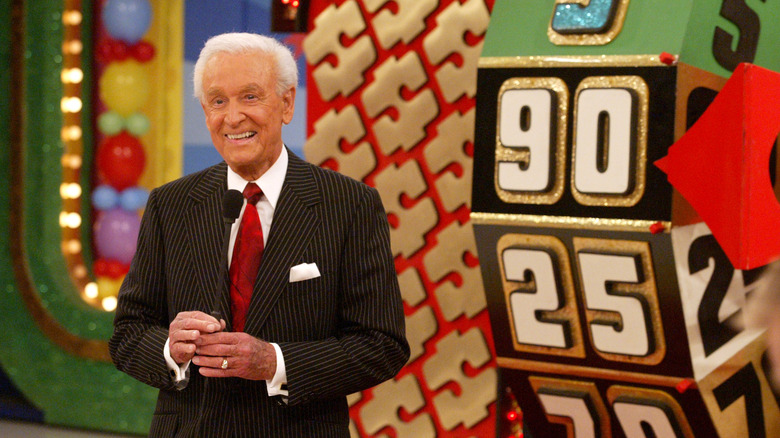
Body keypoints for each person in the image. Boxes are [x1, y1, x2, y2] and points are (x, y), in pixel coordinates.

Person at [109, 32, 410, 437]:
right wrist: (170, 348)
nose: (233, 117)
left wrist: (274, 361)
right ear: (204, 111)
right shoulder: (172, 204)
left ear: (287, 103)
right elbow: (128, 332)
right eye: (218, 101)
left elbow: (381, 345)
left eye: (250, 97)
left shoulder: (349, 205)